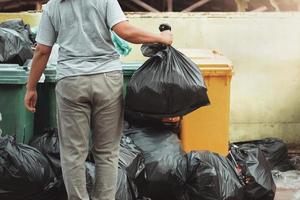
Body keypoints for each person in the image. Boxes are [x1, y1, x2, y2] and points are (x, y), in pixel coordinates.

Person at [24, 0, 173, 199]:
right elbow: (125, 31)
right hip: (107, 80)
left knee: (73, 153)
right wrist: (161, 37)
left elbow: (42, 50)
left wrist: (31, 87)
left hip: (71, 82)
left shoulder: (53, 6)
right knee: (107, 151)